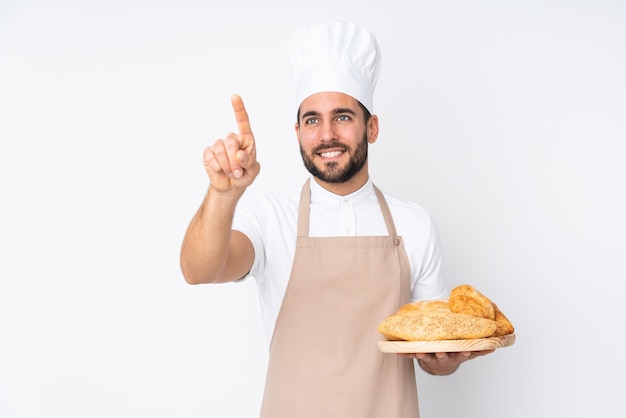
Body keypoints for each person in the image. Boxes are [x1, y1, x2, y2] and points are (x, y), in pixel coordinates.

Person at [180, 21, 493, 418]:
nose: (326, 134)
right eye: (312, 120)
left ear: (372, 127)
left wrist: (442, 361)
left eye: (342, 117)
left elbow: (429, 349)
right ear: (297, 132)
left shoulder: (414, 224)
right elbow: (199, 269)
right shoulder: (271, 217)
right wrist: (223, 194)